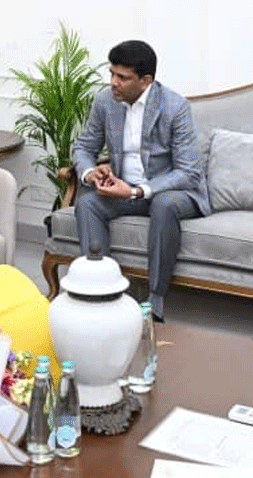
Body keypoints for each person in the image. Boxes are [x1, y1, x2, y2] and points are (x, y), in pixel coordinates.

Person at [72, 40, 209, 321]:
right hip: (125, 189)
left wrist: (136, 191)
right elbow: (84, 147)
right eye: (112, 74)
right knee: (87, 203)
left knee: (163, 205)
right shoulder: (105, 101)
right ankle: (101, 294)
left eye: (122, 77)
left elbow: (188, 172)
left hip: (172, 192)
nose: (113, 83)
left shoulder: (175, 106)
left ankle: (155, 300)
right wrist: (89, 172)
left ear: (146, 81)